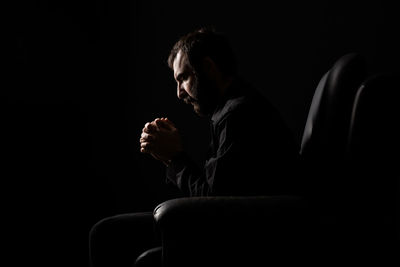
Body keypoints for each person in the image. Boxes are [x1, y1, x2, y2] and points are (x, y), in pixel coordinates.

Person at [89, 26, 300, 267]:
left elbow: (212, 207)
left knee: (109, 236)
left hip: (247, 240)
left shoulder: (238, 114)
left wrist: (175, 158)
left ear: (209, 68)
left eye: (183, 78)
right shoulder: (231, 110)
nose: (179, 93)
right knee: (107, 231)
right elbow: (215, 196)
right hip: (234, 229)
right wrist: (169, 158)